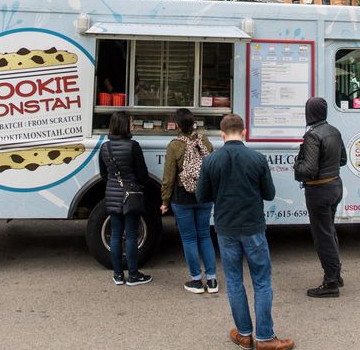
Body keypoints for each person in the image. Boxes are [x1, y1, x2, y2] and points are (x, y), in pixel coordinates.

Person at [197, 114, 294, 350]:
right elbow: (269, 193)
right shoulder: (257, 159)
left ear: (221, 135)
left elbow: (202, 196)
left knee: (233, 281)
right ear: (244, 132)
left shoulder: (210, 161)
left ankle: (243, 334)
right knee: (261, 281)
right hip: (253, 227)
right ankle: (265, 338)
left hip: (225, 228)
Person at [160, 108, 218, 294]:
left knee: (189, 238)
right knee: (204, 236)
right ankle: (212, 280)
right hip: (204, 196)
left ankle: (195, 280)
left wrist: (165, 201)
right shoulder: (205, 141)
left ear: (176, 125)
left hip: (182, 197)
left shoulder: (175, 146)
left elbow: (169, 177)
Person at [293, 97, 346, 298]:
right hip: (335, 186)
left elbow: (309, 169)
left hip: (319, 190)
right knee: (330, 231)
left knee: (322, 236)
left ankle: (331, 281)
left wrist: (296, 165)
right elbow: (343, 159)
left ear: (310, 113)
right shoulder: (334, 131)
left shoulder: (312, 136)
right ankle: (336, 273)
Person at [98, 111, 152, 286]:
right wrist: (139, 186)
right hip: (131, 195)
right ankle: (134, 275)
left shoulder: (104, 148)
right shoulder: (133, 146)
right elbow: (142, 173)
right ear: (125, 125)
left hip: (112, 194)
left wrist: (114, 185)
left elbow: (103, 174)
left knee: (115, 235)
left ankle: (118, 275)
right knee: (130, 236)